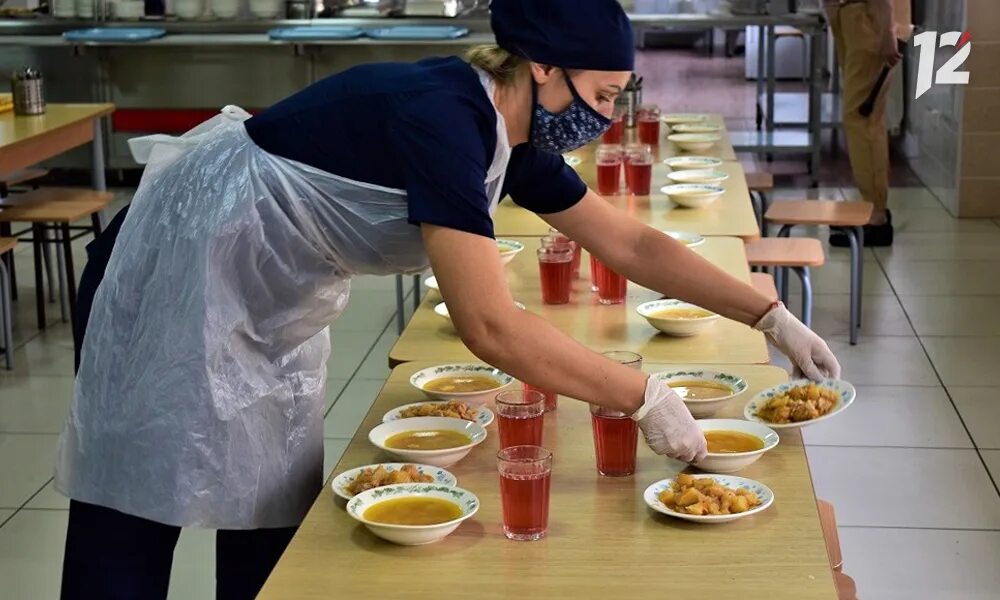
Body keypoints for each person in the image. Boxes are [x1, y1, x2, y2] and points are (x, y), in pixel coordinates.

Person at [57, 1, 841, 597]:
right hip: (173, 263)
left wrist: (765, 313)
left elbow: (629, 244)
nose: (607, 116)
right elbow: (489, 324)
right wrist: (642, 395)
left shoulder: (511, 139)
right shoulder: (446, 116)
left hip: (261, 295)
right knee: (133, 508)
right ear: (543, 67)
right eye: (603, 94)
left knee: (268, 499)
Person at [826, 0, 912, 247]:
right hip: (859, 16)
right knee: (865, 118)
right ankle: (872, 209)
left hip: (873, 18)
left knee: (862, 119)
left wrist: (886, 29)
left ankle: (877, 217)